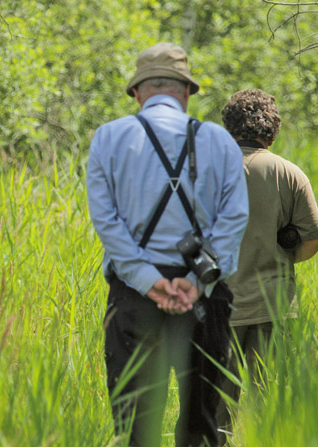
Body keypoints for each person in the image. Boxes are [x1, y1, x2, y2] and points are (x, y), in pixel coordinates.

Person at [86, 43, 249, 447]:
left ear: (138, 93)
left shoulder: (108, 138)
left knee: (136, 424)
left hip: (134, 295)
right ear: (187, 92)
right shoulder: (219, 141)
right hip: (203, 295)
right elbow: (233, 220)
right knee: (202, 423)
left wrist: (149, 281)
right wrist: (196, 283)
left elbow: (106, 222)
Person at [215, 89, 318, 442]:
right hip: (274, 306)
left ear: (227, 128)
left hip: (218, 310)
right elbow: (315, 238)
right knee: (271, 406)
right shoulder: (290, 173)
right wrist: (283, 258)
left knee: (216, 414)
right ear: (273, 132)